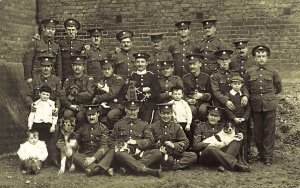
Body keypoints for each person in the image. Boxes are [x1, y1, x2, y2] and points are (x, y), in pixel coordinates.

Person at [244, 45, 282, 166]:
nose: (261, 59)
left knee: (269, 131)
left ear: (267, 57)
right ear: (254, 58)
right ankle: (261, 154)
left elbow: (278, 87)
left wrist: (269, 96)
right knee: (258, 131)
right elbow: (246, 87)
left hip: (270, 104)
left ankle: (268, 156)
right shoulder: (249, 72)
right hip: (255, 105)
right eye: (258, 56)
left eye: (263, 56)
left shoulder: (273, 71)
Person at [111, 100, 162, 178]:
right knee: (118, 153)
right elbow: (111, 140)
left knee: (157, 153)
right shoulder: (118, 124)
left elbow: (150, 141)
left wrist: (136, 142)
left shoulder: (144, 125)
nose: (132, 112)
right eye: (130, 110)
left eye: (134, 110)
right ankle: (148, 171)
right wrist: (121, 145)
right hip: (124, 155)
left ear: (138, 109)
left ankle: (128, 168)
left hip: (139, 154)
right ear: (126, 109)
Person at [193, 106, 251, 172]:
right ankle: (235, 165)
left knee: (236, 140)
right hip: (206, 157)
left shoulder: (223, 127)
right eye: (211, 115)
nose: (213, 118)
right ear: (207, 116)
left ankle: (223, 166)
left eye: (216, 116)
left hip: (220, 156)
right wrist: (209, 144)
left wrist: (239, 136)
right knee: (211, 148)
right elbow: (196, 146)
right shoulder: (200, 127)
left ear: (219, 118)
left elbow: (233, 136)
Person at [151, 103, 197, 170]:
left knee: (193, 156)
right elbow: (149, 142)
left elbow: (186, 142)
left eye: (168, 113)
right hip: (160, 153)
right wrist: (157, 146)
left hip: (174, 152)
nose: (166, 116)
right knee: (164, 158)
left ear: (172, 114)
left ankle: (173, 166)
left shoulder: (177, 126)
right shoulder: (153, 126)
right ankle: (171, 163)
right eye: (163, 113)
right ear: (160, 114)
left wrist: (174, 145)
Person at [72, 105, 114, 176]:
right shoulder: (83, 128)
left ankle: (93, 169)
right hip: (86, 157)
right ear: (86, 115)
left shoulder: (103, 129)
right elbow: (73, 139)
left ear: (98, 114)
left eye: (93, 115)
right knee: (75, 156)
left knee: (111, 151)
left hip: (99, 157)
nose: (91, 117)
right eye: (89, 115)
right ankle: (101, 169)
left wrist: (93, 158)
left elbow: (104, 146)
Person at [60, 55, 95, 130]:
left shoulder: (89, 79)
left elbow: (89, 94)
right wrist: (70, 105)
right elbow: (62, 95)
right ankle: (68, 135)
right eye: (75, 65)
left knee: (80, 116)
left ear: (83, 67)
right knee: (67, 114)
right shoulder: (68, 80)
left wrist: (74, 96)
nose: (77, 67)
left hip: (84, 106)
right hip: (72, 106)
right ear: (72, 66)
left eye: (79, 65)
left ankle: (81, 134)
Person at [22, 18, 62, 83]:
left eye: (53, 29)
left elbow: (59, 65)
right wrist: (28, 77)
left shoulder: (56, 46)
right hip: (37, 77)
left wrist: (59, 79)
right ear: (44, 29)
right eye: (48, 29)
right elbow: (28, 61)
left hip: (51, 78)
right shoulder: (35, 43)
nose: (51, 31)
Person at [223, 75, 251, 164]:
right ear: (231, 84)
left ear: (242, 85)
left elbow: (248, 109)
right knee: (234, 138)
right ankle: (236, 157)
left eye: (239, 84)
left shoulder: (243, 96)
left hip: (242, 121)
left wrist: (244, 118)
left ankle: (244, 157)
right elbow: (226, 109)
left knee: (244, 139)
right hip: (233, 121)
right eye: (234, 84)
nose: (237, 86)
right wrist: (234, 118)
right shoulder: (228, 95)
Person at [92, 59, 126, 130]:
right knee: (93, 113)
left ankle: (117, 132)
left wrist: (97, 98)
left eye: (108, 69)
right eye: (104, 69)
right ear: (102, 70)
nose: (107, 71)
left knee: (111, 116)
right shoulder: (102, 80)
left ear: (112, 69)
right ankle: (99, 132)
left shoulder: (118, 79)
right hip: (105, 105)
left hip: (117, 105)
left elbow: (111, 94)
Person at [129, 52, 160, 124]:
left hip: (148, 105)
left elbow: (156, 92)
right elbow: (128, 91)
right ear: (135, 63)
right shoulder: (132, 76)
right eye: (138, 62)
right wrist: (142, 90)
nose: (140, 64)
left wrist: (147, 95)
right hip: (134, 105)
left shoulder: (152, 76)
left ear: (147, 63)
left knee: (146, 124)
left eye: (142, 62)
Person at [182, 54, 212, 122]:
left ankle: (203, 127)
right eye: (190, 64)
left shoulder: (206, 77)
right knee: (191, 109)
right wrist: (188, 100)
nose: (192, 66)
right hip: (191, 103)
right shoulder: (185, 78)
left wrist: (202, 96)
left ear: (200, 64)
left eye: (194, 64)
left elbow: (211, 94)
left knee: (203, 109)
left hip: (204, 102)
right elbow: (183, 94)